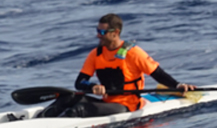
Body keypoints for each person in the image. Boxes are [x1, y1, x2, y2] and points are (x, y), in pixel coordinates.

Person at [38, 13, 196, 118]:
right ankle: (40, 119)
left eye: (102, 32)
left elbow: (158, 74)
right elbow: (79, 82)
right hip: (107, 102)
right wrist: (92, 86)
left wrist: (178, 85)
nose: (97, 35)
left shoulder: (133, 53)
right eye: (97, 31)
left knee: (79, 110)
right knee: (68, 98)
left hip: (127, 106)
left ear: (115, 32)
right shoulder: (96, 54)